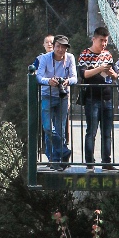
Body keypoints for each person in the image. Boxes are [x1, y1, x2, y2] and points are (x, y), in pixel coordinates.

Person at [76, 27, 118, 168]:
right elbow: (83, 74)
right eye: (101, 40)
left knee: (107, 133)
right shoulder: (85, 54)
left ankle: (107, 161)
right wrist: (99, 69)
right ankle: (90, 162)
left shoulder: (108, 55)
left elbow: (116, 75)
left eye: (106, 41)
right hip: (92, 98)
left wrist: (111, 72)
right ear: (94, 39)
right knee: (91, 131)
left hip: (107, 98)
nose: (104, 44)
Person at [36, 35, 76, 165]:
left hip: (62, 96)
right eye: (58, 46)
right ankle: (63, 151)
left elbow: (75, 78)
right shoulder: (45, 58)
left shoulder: (70, 58)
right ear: (53, 46)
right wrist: (49, 81)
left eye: (63, 47)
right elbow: (39, 77)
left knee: (60, 129)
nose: (60, 49)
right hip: (47, 95)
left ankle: (56, 160)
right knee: (47, 128)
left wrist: (67, 81)